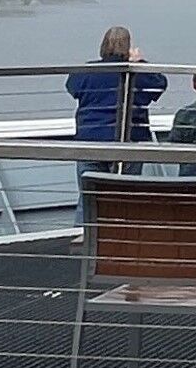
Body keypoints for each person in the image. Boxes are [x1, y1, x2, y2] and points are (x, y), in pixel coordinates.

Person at [65, 26, 166, 222]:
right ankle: (121, 235)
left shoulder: (86, 71)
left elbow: (72, 88)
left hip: (90, 139)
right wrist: (140, 63)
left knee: (88, 199)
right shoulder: (136, 72)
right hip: (128, 141)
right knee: (126, 198)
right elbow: (159, 85)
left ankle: (83, 236)